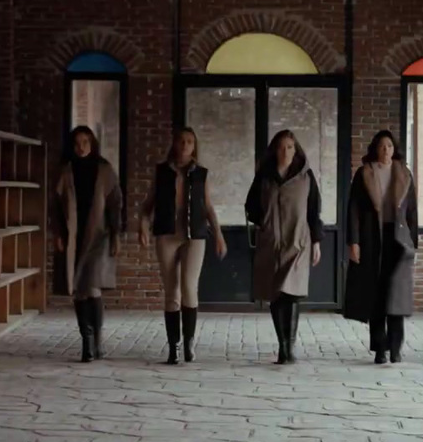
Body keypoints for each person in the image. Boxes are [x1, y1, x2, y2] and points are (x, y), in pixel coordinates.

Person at [138, 127, 227, 364]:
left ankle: (189, 342)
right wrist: (142, 226)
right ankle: (173, 347)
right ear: (175, 144)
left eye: (190, 141)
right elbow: (147, 205)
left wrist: (218, 234)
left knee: (189, 287)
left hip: (195, 235)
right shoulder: (162, 172)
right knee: (172, 291)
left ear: (194, 146)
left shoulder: (201, 174)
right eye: (182, 141)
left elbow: (208, 207)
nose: (185, 145)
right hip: (167, 235)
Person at [245, 130, 322, 365]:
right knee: (276, 294)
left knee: (292, 293)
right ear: (274, 150)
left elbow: (313, 211)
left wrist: (317, 242)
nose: (285, 152)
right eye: (281, 147)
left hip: (297, 242)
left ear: (296, 149)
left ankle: (290, 345)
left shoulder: (306, 177)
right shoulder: (264, 177)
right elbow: (251, 205)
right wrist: (265, 224)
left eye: (290, 147)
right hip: (271, 243)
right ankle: (282, 345)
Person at [342, 130, 418, 364]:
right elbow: (353, 209)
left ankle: (396, 348)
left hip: (396, 238)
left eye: (390, 146)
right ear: (375, 148)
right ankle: (380, 348)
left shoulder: (404, 174)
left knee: (396, 293)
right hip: (371, 238)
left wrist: (413, 243)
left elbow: (412, 211)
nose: (386, 150)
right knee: (376, 294)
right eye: (382, 146)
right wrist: (353, 242)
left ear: (395, 150)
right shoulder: (364, 174)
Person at [53, 125, 124, 362]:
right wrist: (58, 234)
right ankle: (86, 341)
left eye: (86, 142)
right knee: (79, 292)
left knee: (92, 287)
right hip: (74, 235)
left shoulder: (104, 170)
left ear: (92, 143)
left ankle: (96, 339)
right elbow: (55, 206)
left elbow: (116, 203)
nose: (81, 147)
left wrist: (116, 234)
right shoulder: (66, 171)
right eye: (77, 143)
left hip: (98, 235)